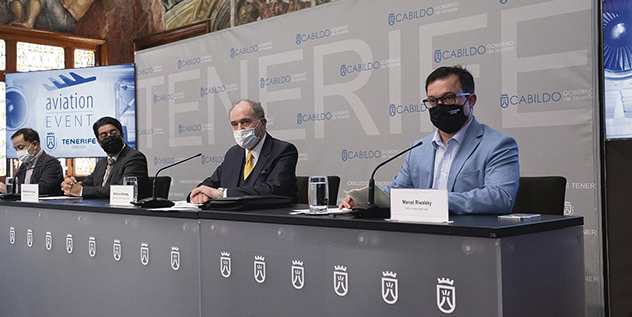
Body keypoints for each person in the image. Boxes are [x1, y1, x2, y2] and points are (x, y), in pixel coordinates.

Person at [339, 66, 519, 214]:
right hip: (420, 237)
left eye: (448, 98)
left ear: (470, 101)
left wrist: (433, 201)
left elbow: (501, 198)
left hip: (470, 240)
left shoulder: (498, 145)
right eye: (433, 101)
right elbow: (399, 190)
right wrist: (368, 196)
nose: (439, 106)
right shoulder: (419, 148)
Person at [189, 100, 299, 204]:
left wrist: (221, 194)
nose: (240, 129)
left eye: (245, 122)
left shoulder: (283, 151)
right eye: (234, 124)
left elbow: (274, 189)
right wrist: (199, 193)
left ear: (262, 123)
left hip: (272, 220)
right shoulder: (233, 154)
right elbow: (212, 183)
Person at [61, 117, 148, 199]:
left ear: (122, 136)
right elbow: (86, 184)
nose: (109, 137)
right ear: (99, 142)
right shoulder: (101, 163)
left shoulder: (134, 157)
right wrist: (71, 185)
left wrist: (81, 191)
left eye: (113, 133)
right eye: (104, 136)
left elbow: (125, 190)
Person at [0, 128, 64, 195]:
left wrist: (8, 189)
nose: (18, 152)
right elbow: (16, 184)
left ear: (34, 145)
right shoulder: (25, 164)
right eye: (16, 149)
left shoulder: (51, 163)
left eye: (20, 147)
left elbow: (42, 188)